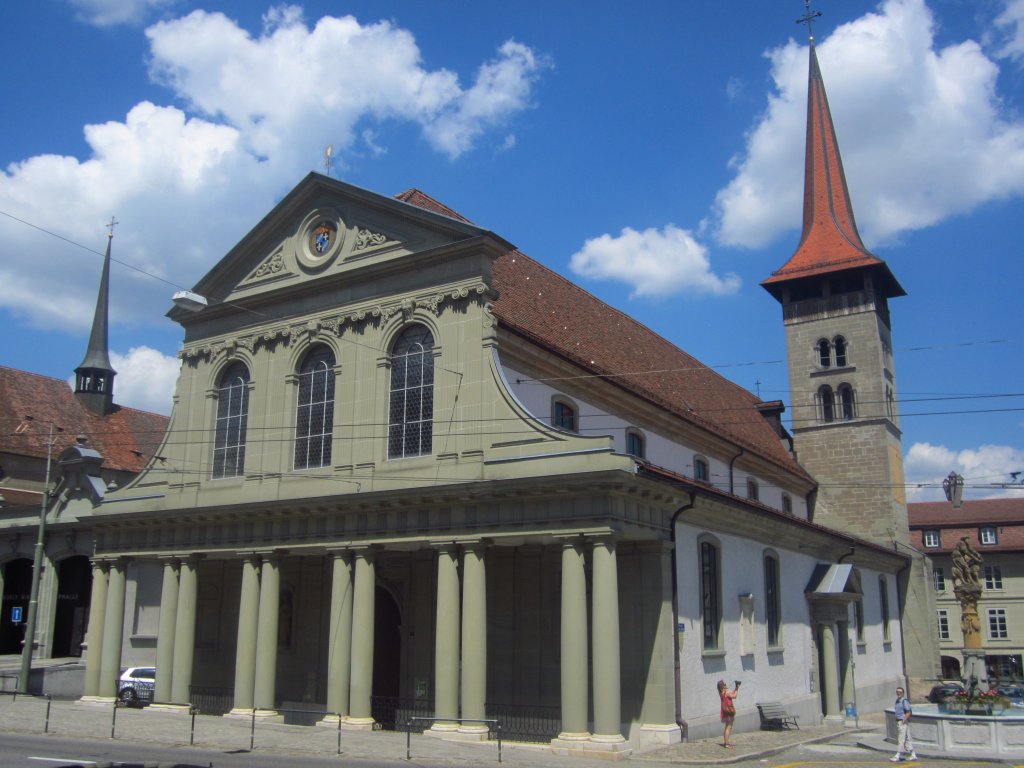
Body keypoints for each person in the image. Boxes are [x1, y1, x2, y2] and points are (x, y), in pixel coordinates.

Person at [891, 686, 917, 762]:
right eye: (897, 692)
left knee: (901, 739)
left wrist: (903, 721)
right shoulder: (897, 701)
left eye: (900, 692)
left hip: (902, 722)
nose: (898, 693)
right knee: (907, 739)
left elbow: (909, 712)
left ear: (903, 693)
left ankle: (897, 755)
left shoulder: (904, 701)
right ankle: (913, 754)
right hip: (900, 721)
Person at [718, 679, 740, 748]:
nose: (726, 685)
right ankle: (727, 744)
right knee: (729, 727)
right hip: (729, 711)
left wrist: (735, 688)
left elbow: (731, 694)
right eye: (724, 684)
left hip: (725, 712)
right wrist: (737, 688)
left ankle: (726, 742)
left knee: (727, 727)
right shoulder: (726, 693)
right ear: (722, 687)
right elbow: (734, 696)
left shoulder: (722, 693)